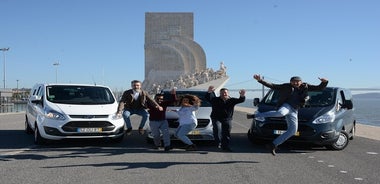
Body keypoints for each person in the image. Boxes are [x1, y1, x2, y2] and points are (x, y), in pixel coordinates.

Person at [248, 74, 328, 156]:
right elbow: (272, 85)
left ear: (301, 82)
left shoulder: (306, 86)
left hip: (294, 110)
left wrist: (324, 82)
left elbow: (319, 88)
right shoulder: (285, 86)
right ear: (290, 82)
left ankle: (273, 145)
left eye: (297, 82)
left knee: (292, 131)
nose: (296, 83)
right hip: (286, 105)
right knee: (280, 113)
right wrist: (260, 80)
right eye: (293, 82)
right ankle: (255, 115)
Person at [205, 86, 246, 152]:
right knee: (217, 130)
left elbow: (241, 100)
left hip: (227, 118)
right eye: (222, 93)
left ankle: (225, 146)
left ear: (228, 93)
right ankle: (218, 143)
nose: (224, 94)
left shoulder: (231, 100)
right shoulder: (215, 100)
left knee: (226, 133)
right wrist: (209, 92)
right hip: (216, 118)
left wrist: (242, 95)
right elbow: (207, 98)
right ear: (220, 94)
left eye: (225, 93)